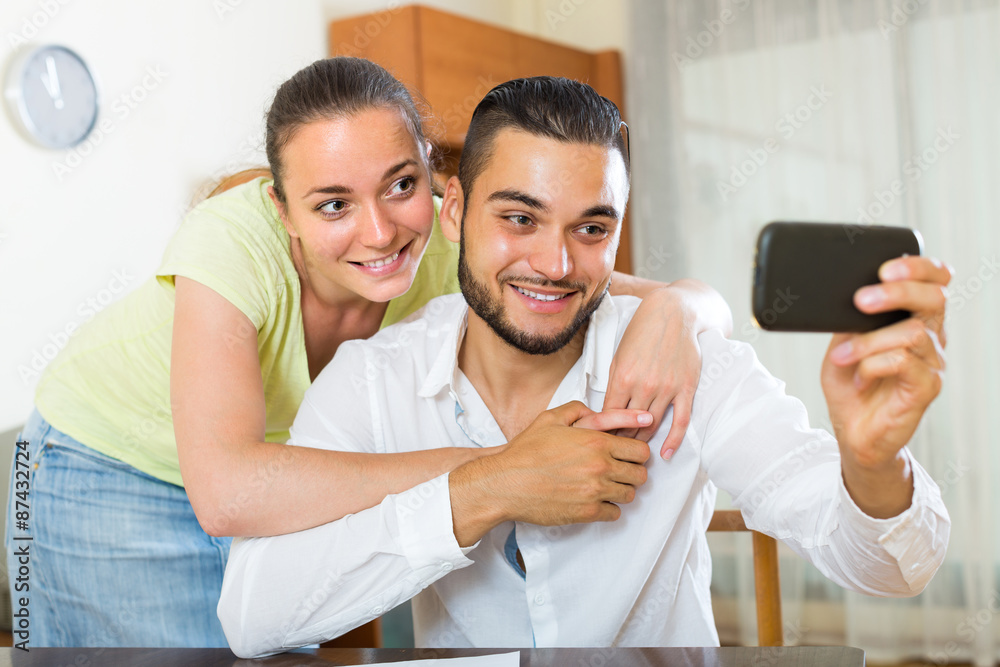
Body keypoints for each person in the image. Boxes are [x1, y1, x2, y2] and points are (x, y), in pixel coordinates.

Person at [6, 58, 734, 647]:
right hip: (107, 462)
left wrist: (686, 306)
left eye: (401, 185)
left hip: (282, 475)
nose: (381, 232)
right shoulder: (232, 243)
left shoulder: (452, 244)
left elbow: (648, 296)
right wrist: (502, 470)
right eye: (333, 204)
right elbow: (227, 492)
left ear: (438, 183)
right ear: (282, 211)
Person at [218, 75, 952, 658]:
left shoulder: (683, 360)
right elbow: (252, 618)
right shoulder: (371, 380)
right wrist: (486, 488)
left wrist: (872, 464)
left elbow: (893, 569)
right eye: (519, 218)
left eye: (592, 228)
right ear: (454, 211)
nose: (556, 264)